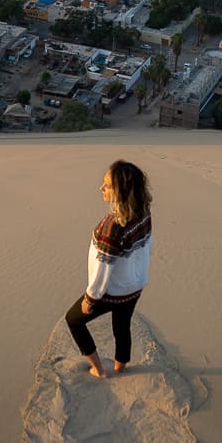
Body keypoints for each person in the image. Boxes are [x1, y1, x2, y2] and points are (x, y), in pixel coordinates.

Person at [65, 159, 153, 378]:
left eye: (107, 185)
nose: (101, 188)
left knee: (73, 320)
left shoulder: (112, 227)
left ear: (121, 191)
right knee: (122, 327)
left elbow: (102, 270)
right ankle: (120, 367)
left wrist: (91, 299)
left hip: (113, 291)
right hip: (136, 286)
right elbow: (146, 248)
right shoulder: (143, 211)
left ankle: (98, 369)